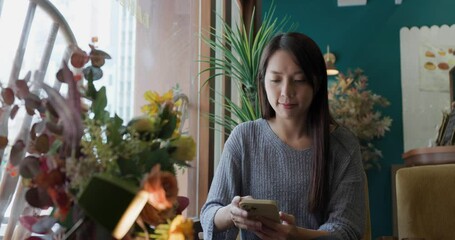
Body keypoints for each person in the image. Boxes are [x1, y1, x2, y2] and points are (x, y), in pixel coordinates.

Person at [200, 32, 366, 240]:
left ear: (317, 84)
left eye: (299, 80)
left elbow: (348, 229)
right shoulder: (244, 138)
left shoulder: (342, 145)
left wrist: (298, 236)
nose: (286, 91)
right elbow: (209, 214)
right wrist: (232, 213)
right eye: (276, 80)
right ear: (263, 81)